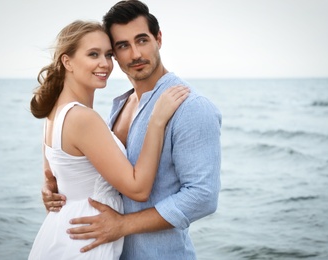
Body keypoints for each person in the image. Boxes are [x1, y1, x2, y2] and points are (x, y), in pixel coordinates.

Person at [43, 0, 222, 259]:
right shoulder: (122, 103)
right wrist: (56, 187)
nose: (135, 54)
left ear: (158, 39)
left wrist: (123, 226)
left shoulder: (190, 107)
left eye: (142, 40)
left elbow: (203, 196)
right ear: (115, 54)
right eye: (123, 46)